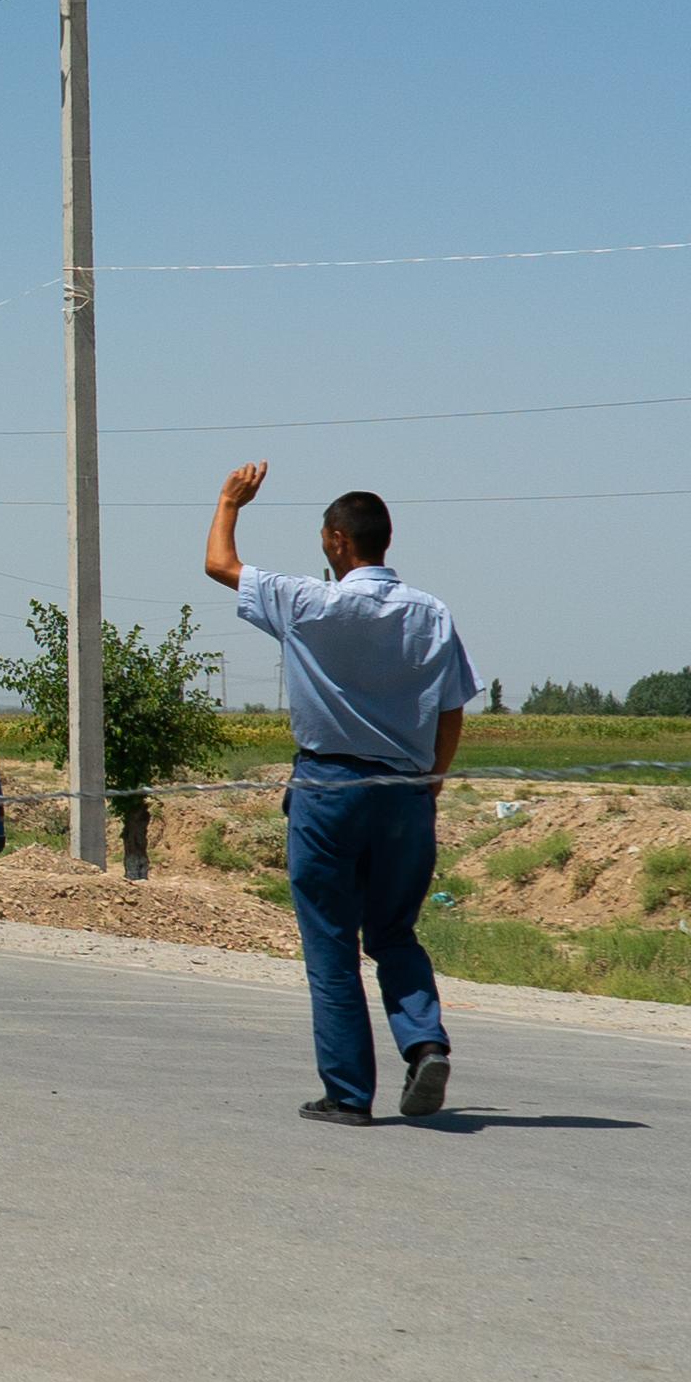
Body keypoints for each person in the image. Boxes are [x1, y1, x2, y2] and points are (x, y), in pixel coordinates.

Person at [205, 464, 477, 1123]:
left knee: (331, 943)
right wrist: (431, 785)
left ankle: (350, 1094)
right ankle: (424, 1042)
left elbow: (220, 564)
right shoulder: (431, 613)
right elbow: (451, 712)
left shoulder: (307, 603)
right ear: (386, 541)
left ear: (336, 542)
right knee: (394, 932)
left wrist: (229, 500)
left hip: (329, 789)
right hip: (406, 792)